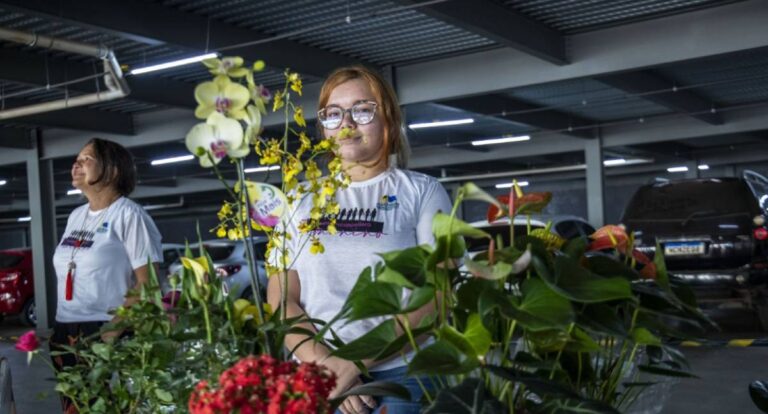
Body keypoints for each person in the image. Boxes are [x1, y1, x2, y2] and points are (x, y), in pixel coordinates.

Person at [267, 66, 452, 414]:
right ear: (323, 127)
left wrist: (351, 364)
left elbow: (438, 297)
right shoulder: (295, 199)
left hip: (402, 373)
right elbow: (281, 299)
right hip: (316, 373)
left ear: (389, 119)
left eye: (362, 110)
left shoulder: (423, 192)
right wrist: (327, 368)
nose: (347, 124)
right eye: (333, 114)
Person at [50, 138, 162, 412]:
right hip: (66, 329)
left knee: (112, 408)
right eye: (76, 160)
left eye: (86, 159)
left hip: (110, 329)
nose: (76, 165)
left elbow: (148, 284)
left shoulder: (130, 215)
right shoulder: (76, 216)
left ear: (112, 171)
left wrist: (112, 332)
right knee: (77, 407)